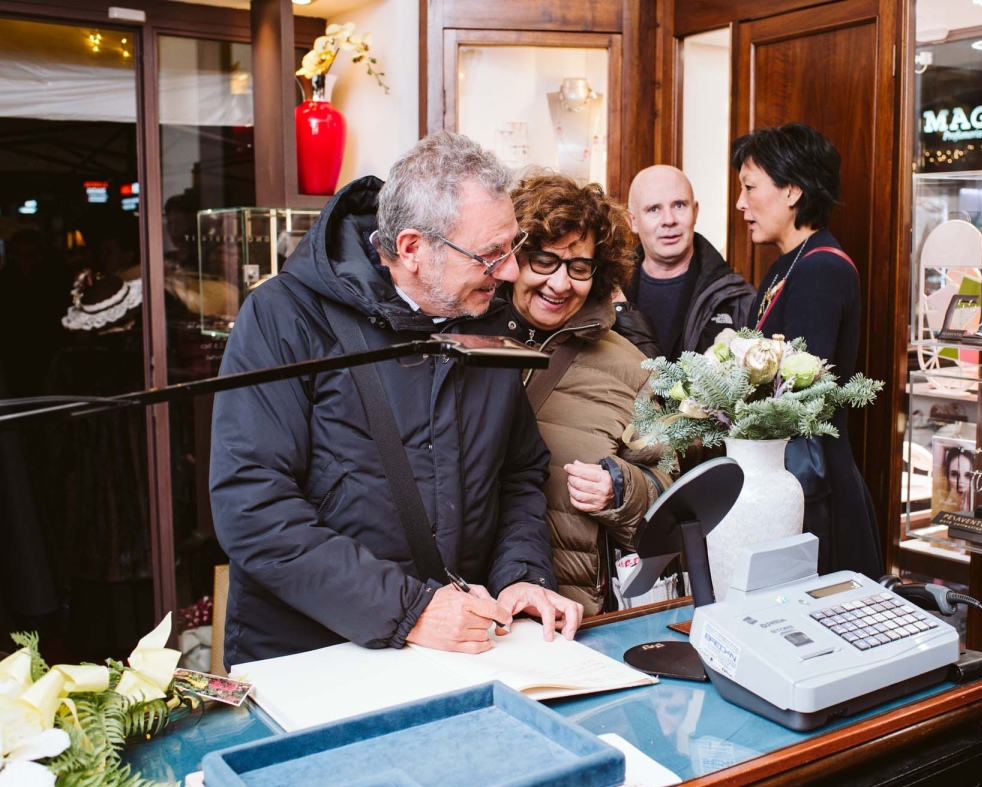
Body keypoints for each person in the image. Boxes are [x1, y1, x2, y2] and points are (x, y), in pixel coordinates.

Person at [208, 131, 582, 668]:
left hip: (457, 648)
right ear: (411, 249)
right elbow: (253, 508)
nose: (510, 271)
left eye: (512, 247)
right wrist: (410, 610)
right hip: (311, 657)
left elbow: (516, 473)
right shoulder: (283, 316)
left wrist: (520, 575)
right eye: (490, 254)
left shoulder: (486, 317)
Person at [499, 173, 674, 616]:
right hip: (462, 606)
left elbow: (668, 489)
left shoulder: (631, 369)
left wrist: (622, 489)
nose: (560, 284)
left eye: (579, 268)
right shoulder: (463, 342)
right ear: (512, 256)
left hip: (567, 613)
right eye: (544, 261)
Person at [731, 123, 881, 579]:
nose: (740, 204)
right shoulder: (787, 265)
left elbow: (798, 398)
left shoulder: (820, 270)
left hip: (814, 487)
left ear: (792, 191)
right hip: (790, 479)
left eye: (750, 187)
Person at [617, 165, 755, 359]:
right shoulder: (609, 292)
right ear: (632, 221)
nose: (669, 220)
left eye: (679, 205)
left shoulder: (738, 300)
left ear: (695, 211)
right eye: (654, 209)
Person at [937, 446, 975, 513]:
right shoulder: (939, 501)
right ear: (947, 476)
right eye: (955, 475)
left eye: (968, 476)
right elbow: (939, 443)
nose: (961, 483)